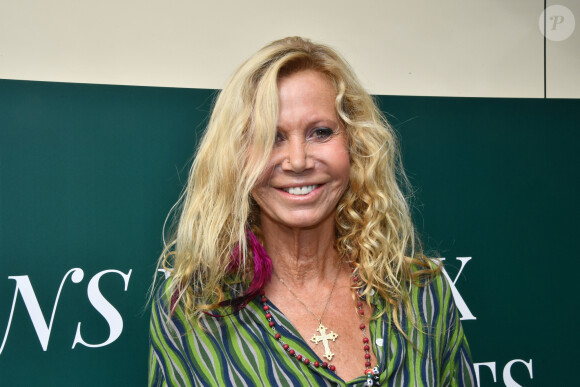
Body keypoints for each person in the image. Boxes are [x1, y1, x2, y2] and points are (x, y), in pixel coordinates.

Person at [149, 36, 475, 386]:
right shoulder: (193, 309)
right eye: (270, 137)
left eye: (320, 132)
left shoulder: (422, 294)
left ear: (354, 143)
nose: (299, 161)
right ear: (236, 158)